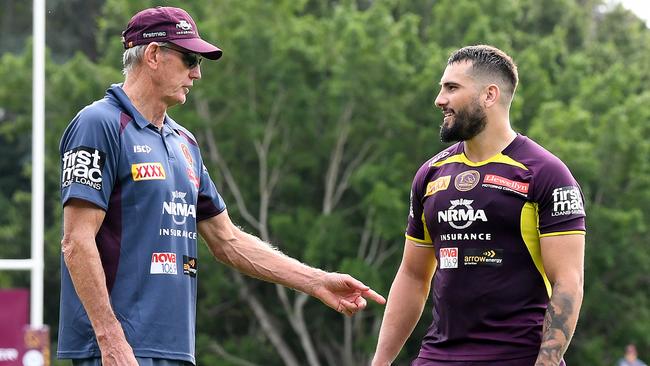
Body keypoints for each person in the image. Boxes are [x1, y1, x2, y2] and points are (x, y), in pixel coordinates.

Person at [57, 6, 385, 366]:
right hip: (116, 352)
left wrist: (317, 282)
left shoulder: (185, 142)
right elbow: (76, 242)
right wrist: (111, 339)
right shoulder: (98, 124)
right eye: (189, 59)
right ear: (152, 55)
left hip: (176, 348)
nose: (197, 73)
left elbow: (227, 240)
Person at [371, 45, 586, 366]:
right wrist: (380, 362)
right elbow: (413, 276)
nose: (439, 99)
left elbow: (568, 281)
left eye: (452, 88)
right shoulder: (430, 174)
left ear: (489, 95)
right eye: (442, 87)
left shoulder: (545, 173)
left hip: (516, 357)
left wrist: (548, 361)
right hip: (437, 357)